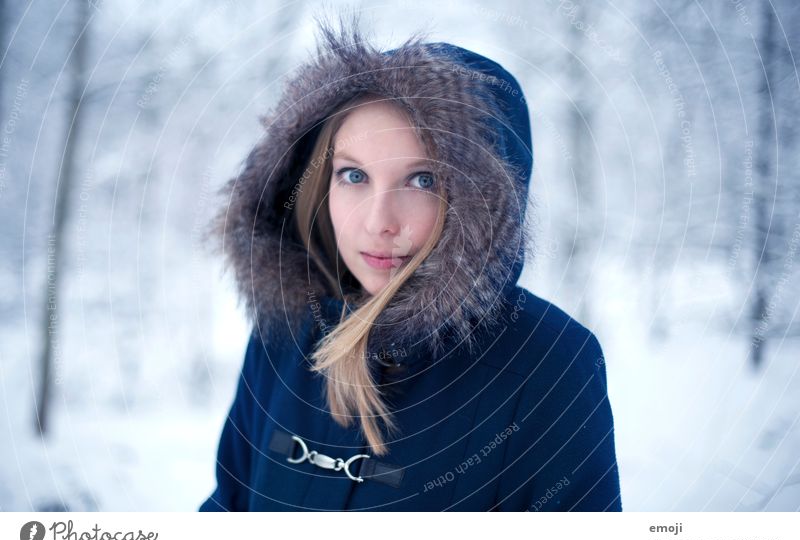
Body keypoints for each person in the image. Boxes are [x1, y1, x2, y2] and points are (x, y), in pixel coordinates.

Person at [198, 16, 622, 512]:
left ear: (480, 203)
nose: (379, 221)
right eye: (353, 175)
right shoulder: (285, 330)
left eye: (424, 181)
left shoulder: (548, 365)